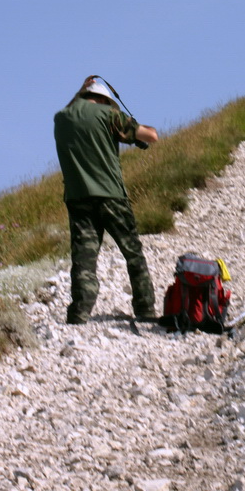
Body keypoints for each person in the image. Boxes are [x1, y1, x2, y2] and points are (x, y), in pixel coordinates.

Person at [54, 76, 158, 324]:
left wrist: (79, 91)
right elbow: (151, 136)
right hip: (111, 197)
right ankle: (145, 310)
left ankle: (79, 313)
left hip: (78, 199)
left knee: (83, 260)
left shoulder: (61, 118)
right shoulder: (109, 116)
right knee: (133, 253)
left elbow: (71, 108)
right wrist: (127, 122)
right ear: (103, 100)